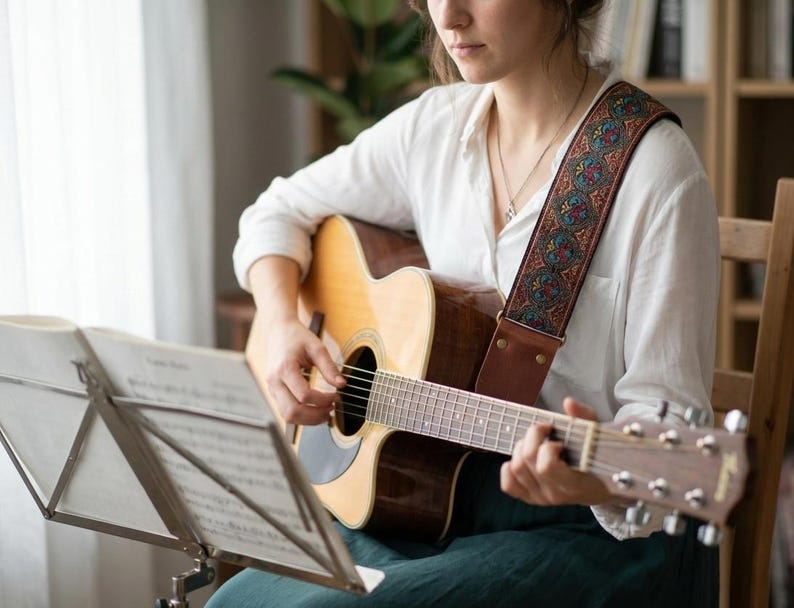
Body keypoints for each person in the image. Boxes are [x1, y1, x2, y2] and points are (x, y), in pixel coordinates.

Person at [209, 0, 720, 606]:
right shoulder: (434, 128)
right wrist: (280, 322)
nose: (446, 16)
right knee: (235, 601)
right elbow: (277, 212)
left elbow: (667, 423)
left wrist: (584, 475)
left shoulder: (653, 168)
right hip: (426, 500)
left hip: (584, 531)